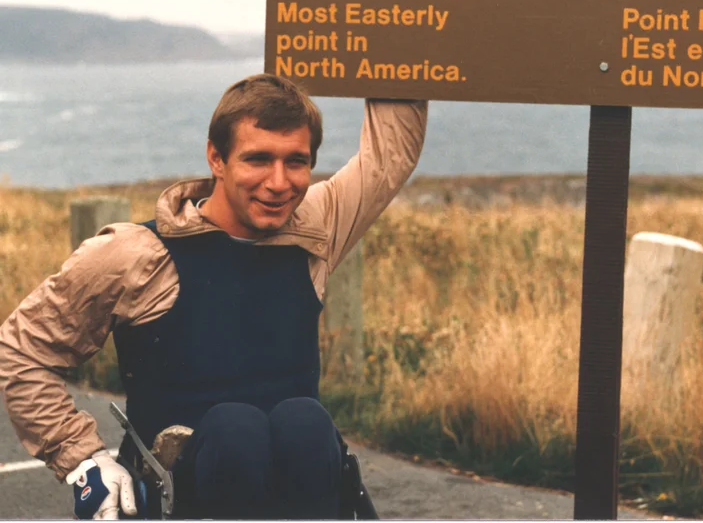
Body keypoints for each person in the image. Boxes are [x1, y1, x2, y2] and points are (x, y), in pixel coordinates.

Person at [0, 72, 427, 519]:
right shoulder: (135, 255)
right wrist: (83, 459)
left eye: (296, 162)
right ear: (216, 158)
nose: (279, 183)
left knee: (305, 423)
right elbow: (23, 350)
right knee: (234, 431)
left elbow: (387, 157)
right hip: (187, 496)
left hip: (301, 491)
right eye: (257, 159)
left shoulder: (313, 230)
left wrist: (396, 42)